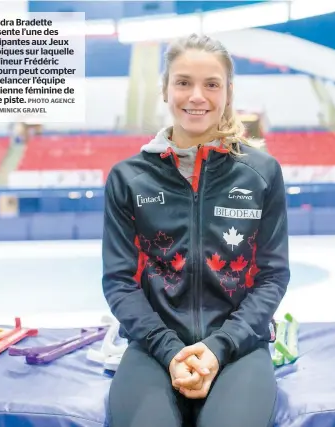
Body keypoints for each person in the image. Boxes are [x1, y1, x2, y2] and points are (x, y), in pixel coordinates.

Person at [102, 33, 290, 427]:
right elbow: (120, 281)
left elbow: (273, 276)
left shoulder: (262, 173)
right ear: (165, 89)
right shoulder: (128, 178)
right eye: (183, 82)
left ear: (228, 92)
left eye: (211, 84)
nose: (197, 96)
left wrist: (219, 347)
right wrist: (170, 351)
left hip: (239, 346)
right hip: (153, 347)